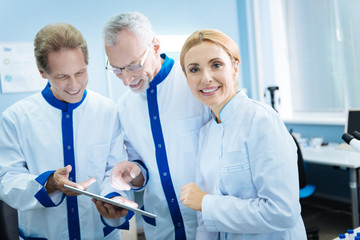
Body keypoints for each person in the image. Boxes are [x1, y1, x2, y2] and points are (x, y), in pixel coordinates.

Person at [0, 23, 136, 240]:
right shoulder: (16, 118)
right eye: (62, 77)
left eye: (80, 72)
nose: (75, 84)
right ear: (42, 72)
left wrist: (114, 198)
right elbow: (7, 179)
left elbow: (114, 170)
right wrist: (49, 183)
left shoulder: (107, 111)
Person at [179, 29, 307, 239]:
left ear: (235, 67)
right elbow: (205, 218)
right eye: (194, 69)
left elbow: (282, 211)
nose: (206, 78)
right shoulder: (206, 133)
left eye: (216, 65)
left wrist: (206, 203)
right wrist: (205, 206)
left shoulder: (260, 120)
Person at [102, 12, 209, 240]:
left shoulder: (195, 85)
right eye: (117, 69)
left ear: (155, 45)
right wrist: (134, 172)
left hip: (205, 222)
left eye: (132, 66)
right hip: (161, 227)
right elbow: (141, 169)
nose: (126, 80)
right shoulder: (124, 106)